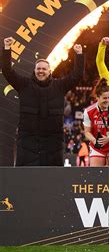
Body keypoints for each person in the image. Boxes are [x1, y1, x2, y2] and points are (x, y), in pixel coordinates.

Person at [2, 37, 84, 166]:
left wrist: (79, 55)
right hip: (27, 141)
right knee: (26, 178)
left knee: (52, 179)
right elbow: (7, 71)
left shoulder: (59, 85)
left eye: (44, 69)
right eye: (38, 69)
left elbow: (76, 75)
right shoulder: (24, 84)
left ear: (49, 71)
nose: (41, 71)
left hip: (53, 142)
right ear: (34, 71)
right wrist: (7, 48)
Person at [83, 79, 109, 167]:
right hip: (97, 146)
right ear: (97, 97)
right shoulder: (88, 111)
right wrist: (95, 141)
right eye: (105, 98)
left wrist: (108, 139)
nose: (108, 100)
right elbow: (87, 132)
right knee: (96, 176)